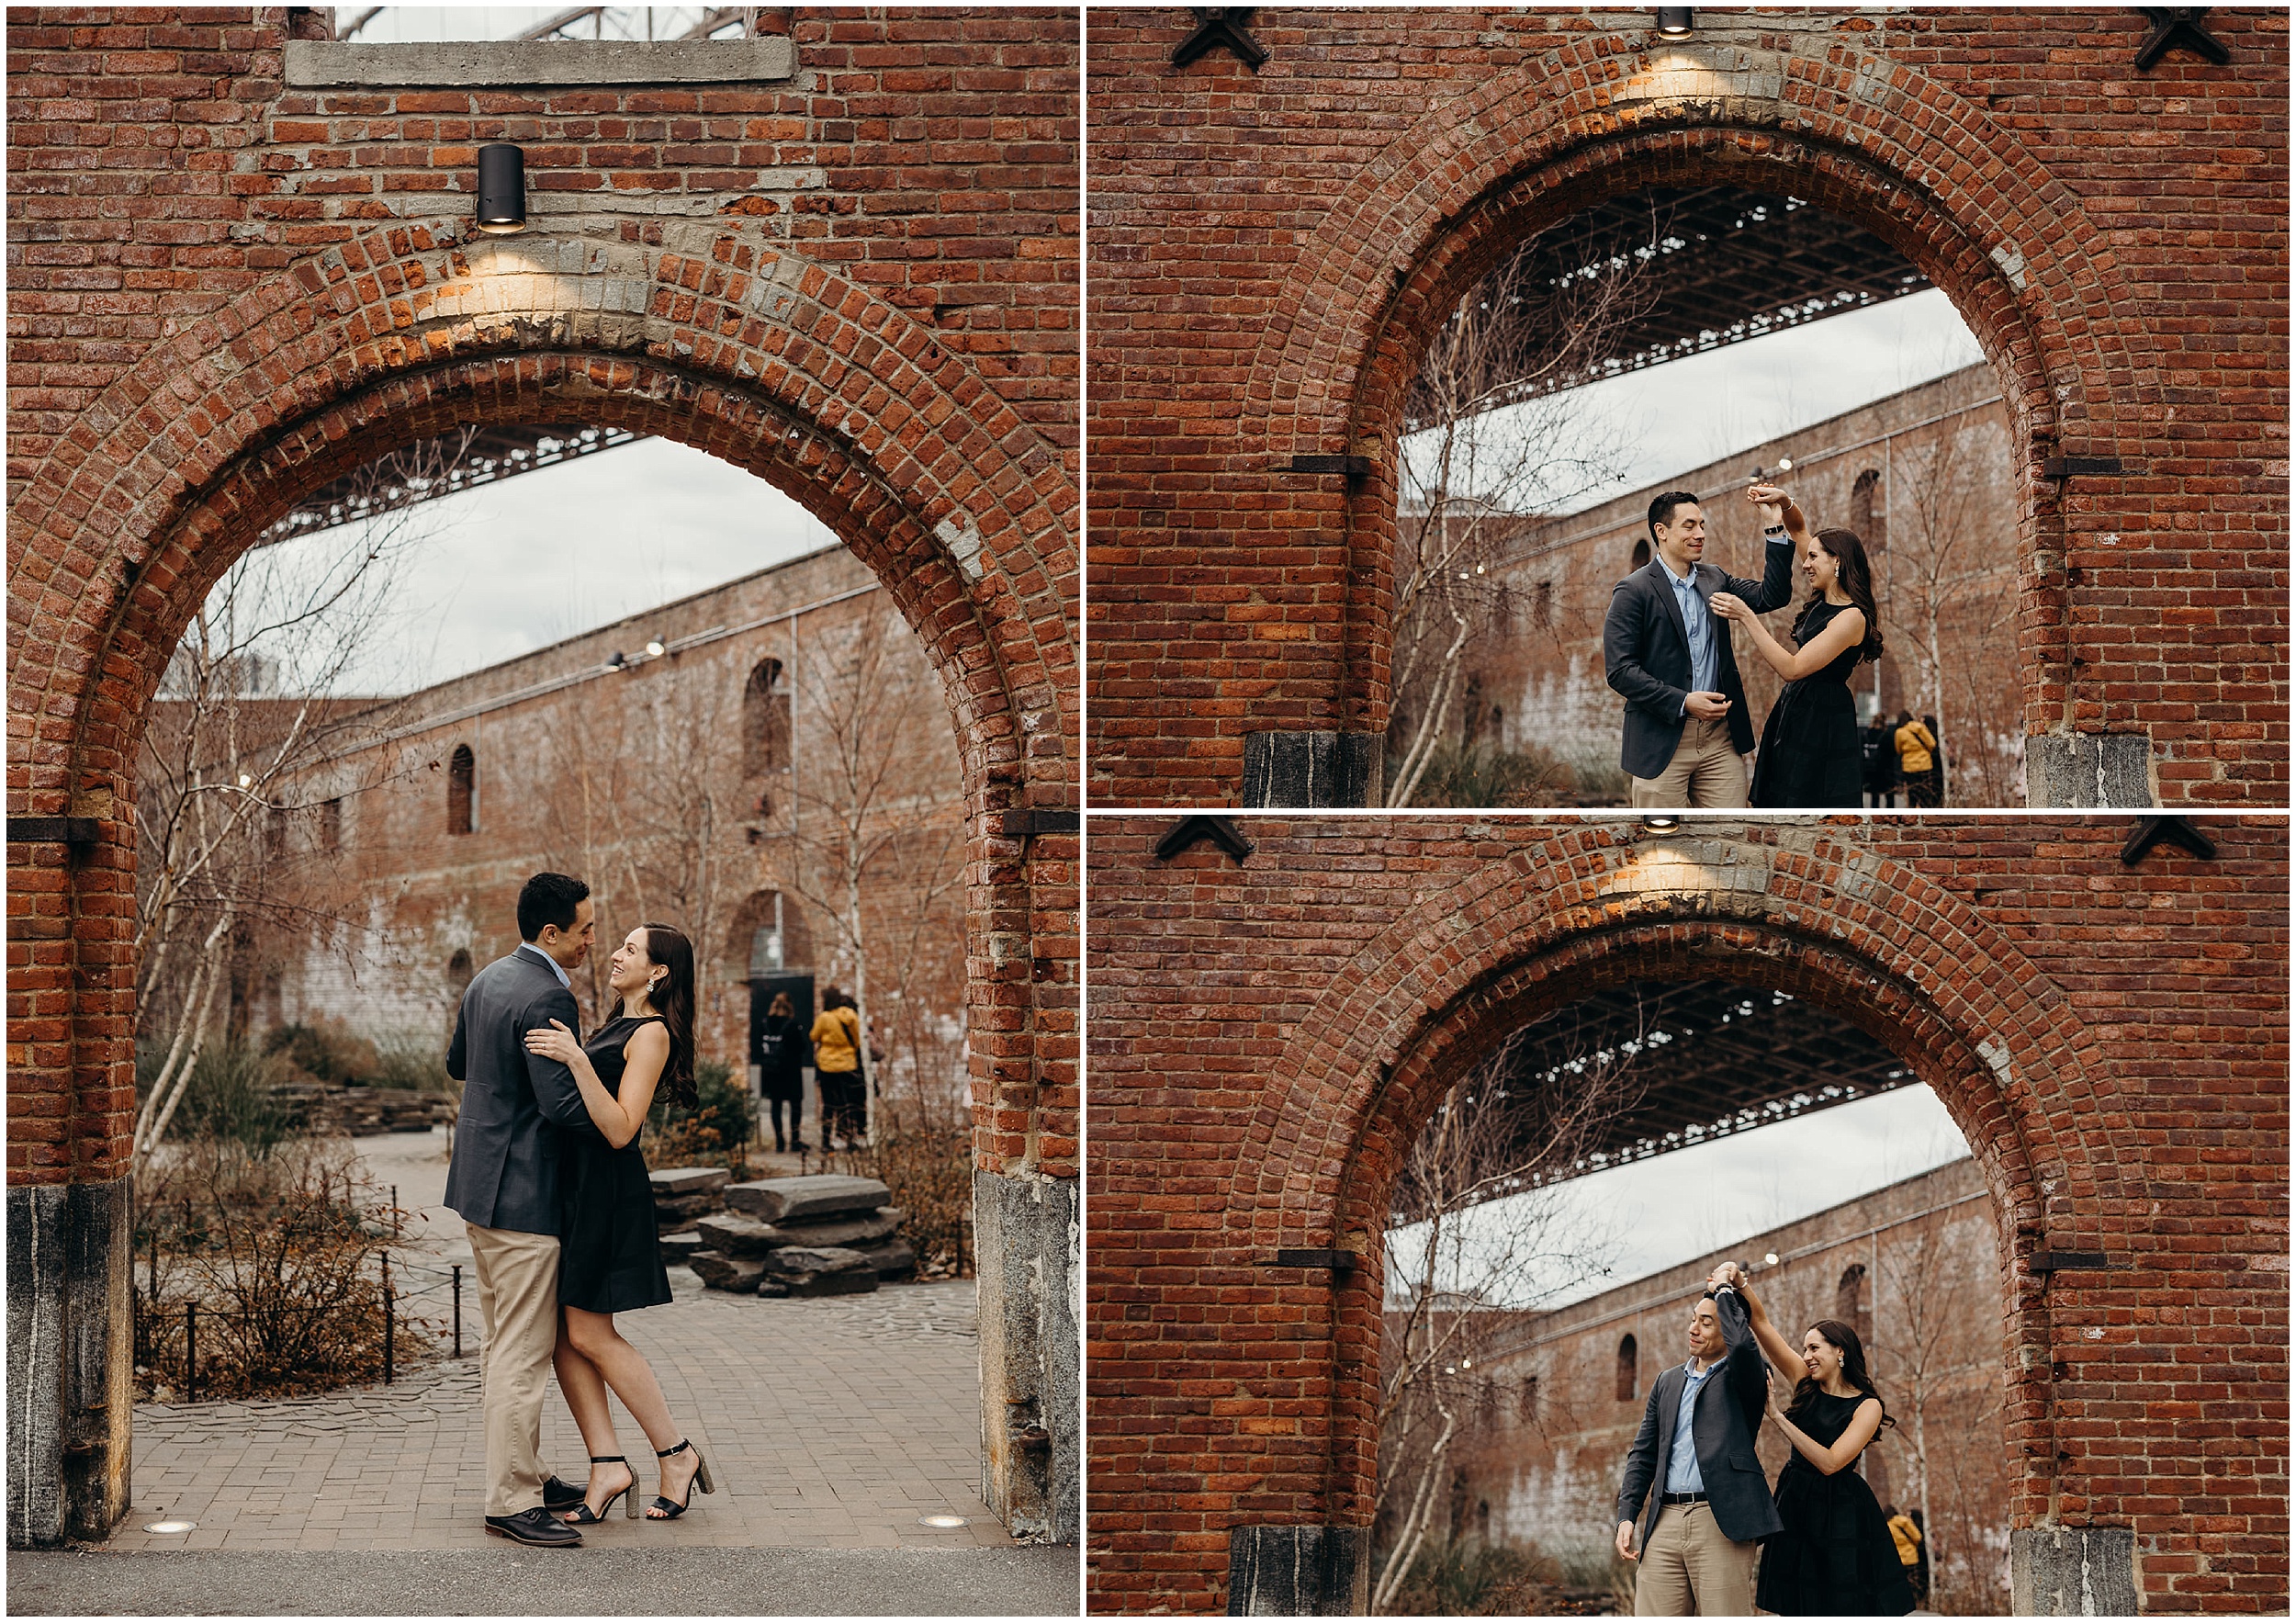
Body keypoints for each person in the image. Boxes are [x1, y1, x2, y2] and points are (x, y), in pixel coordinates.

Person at [524, 923, 718, 1523]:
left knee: (590, 1334)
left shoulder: (653, 1034)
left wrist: (578, 1058)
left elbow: (620, 1126)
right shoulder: (618, 1022)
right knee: (563, 1334)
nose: (615, 953)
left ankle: (675, 1452)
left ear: (659, 971)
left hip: (608, 1191)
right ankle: (607, 1463)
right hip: (578, 1189)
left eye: (631, 949)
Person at [442, 871, 600, 1549]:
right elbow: (561, 1106)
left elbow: (457, 1063)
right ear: (551, 932)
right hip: (526, 1195)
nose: (594, 939)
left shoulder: (486, 979)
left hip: (480, 1189)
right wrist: (603, 1079)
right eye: (587, 928)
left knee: (503, 1343)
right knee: (522, 1351)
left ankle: (527, 1473)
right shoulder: (544, 995)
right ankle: (511, 1498)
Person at [1726, 1264, 1916, 1616]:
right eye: (1804, 1349)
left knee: (1841, 1603)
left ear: (1840, 1351)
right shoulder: (1804, 1381)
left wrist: (1778, 1417)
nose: (1807, 1357)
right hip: (1796, 1499)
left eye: (1814, 1348)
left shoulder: (1868, 1405)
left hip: (1842, 1509)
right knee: (1795, 1603)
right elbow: (1762, 1324)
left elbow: (1831, 1462)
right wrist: (1740, 1282)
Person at [1604, 486, 1797, 808]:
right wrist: (1684, 701)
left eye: (1702, 525)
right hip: (1660, 740)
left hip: (1720, 739)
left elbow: (1772, 596)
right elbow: (1621, 671)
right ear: (1661, 532)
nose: (1700, 533)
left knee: (1732, 834)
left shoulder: (1715, 578)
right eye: (1689, 526)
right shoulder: (1633, 591)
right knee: (1661, 844)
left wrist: (1774, 526)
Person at [1613, 1266, 1781, 1615]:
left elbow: (1745, 1348)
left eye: (1707, 1322)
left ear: (1730, 1328)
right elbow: (1642, 1454)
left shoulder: (1746, 1376)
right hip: (1665, 1519)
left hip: (1720, 1520)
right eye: (1693, 1319)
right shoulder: (1667, 1381)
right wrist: (1627, 1515)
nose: (1694, 1328)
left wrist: (1723, 1289)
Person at [1711, 521, 1885, 808]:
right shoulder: (1826, 593)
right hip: (1795, 710)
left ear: (1837, 561)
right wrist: (1779, 505)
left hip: (1822, 718)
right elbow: (1800, 530)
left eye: (1813, 557)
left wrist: (1747, 616)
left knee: (1805, 801)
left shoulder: (1852, 618)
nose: (1805, 565)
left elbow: (1792, 668)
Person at [810, 986, 866, 1150]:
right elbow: (857, 1041)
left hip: (827, 1066)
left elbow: (813, 1036)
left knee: (829, 1105)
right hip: (848, 1065)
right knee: (847, 1103)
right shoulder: (851, 1016)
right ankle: (848, 1139)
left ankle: (826, 1142)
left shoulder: (824, 1017)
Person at [756, 990, 809, 1154]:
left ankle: (779, 1142)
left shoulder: (765, 1023)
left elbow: (757, 1046)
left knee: (775, 1105)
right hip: (790, 1070)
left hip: (770, 1070)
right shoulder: (792, 1024)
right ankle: (795, 1141)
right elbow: (802, 1047)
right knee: (795, 1105)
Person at [1893, 711, 1939, 807]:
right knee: (1925, 793)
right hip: (1925, 764)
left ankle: (1913, 816)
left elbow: (1898, 749)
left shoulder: (1899, 732)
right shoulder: (1920, 727)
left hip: (1909, 767)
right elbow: (1932, 743)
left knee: (1912, 793)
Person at [1886, 1503, 1925, 1604]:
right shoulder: (1904, 1521)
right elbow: (1918, 1537)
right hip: (1911, 1558)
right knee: (1913, 1584)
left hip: (1896, 1560)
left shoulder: (1886, 1526)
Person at [1862, 716, 1901, 808]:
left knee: (1874, 797)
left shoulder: (1866, 734)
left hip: (1872, 771)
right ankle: (1891, 816)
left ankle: (1874, 816)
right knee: (1889, 795)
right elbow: (1893, 752)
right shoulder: (1887, 735)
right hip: (1886, 770)